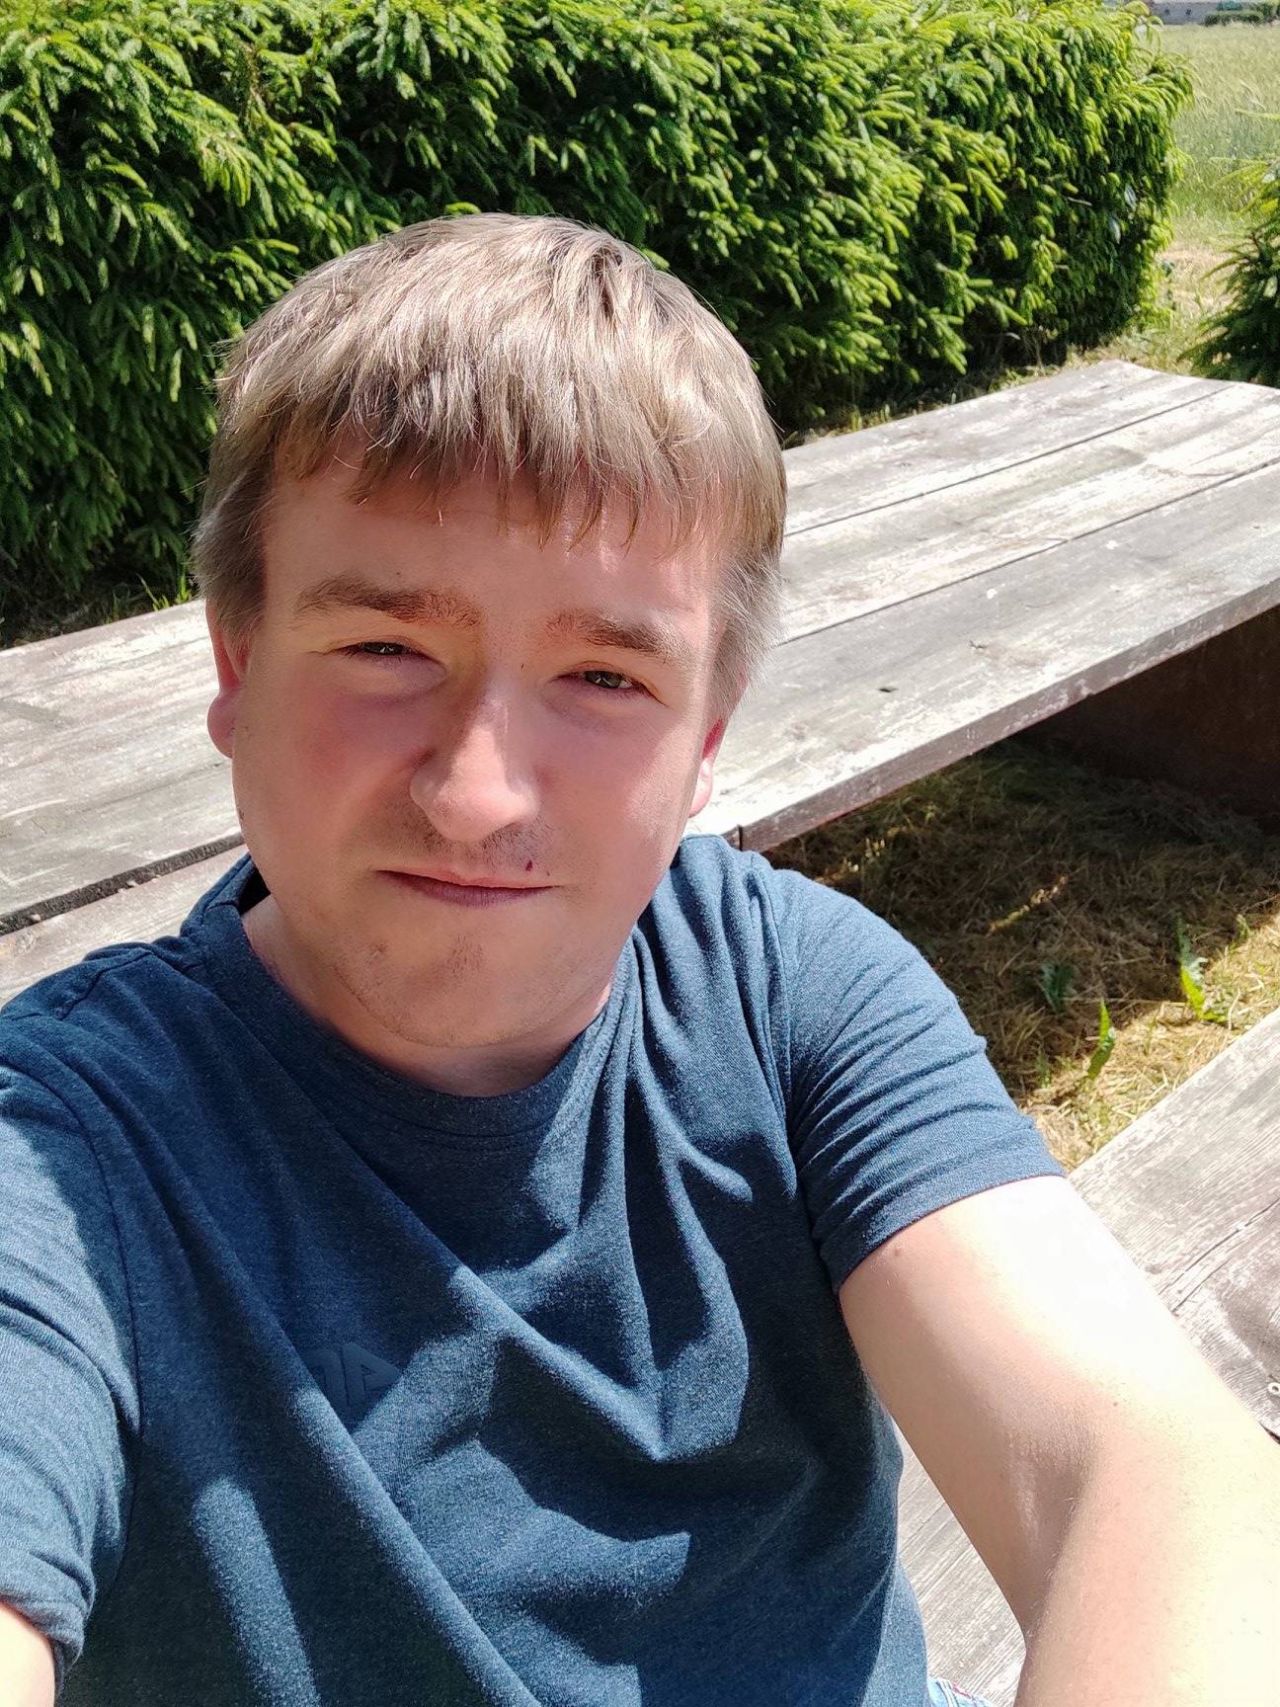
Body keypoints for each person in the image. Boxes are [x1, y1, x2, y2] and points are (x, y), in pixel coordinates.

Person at [0, 213, 1275, 1707]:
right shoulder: (70, 1151)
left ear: (706, 739)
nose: (478, 795)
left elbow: (1145, 1472)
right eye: (386, 649)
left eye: (604, 677)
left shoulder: (787, 998)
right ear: (236, 665)